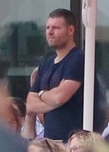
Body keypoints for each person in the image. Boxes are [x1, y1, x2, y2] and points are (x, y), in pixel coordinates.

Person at [26, 8, 86, 141]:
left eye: (56, 28)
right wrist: (54, 100)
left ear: (70, 30)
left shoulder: (78, 59)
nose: (50, 32)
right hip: (50, 141)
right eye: (47, 27)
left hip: (73, 142)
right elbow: (30, 104)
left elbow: (59, 97)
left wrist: (41, 94)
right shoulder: (46, 62)